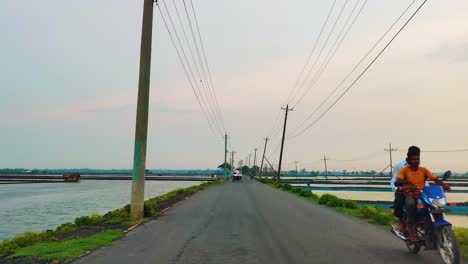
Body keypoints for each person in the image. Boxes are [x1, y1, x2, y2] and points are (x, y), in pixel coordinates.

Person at [395, 149, 451, 242]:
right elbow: (398, 180)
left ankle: (429, 226)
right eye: (413, 159)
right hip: (410, 194)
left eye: (418, 159)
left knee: (432, 206)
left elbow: (435, 179)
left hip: (422, 193)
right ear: (408, 160)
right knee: (411, 205)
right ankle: (411, 231)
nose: (416, 161)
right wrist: (404, 182)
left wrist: (444, 185)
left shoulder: (423, 170)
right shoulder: (404, 171)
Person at [390, 146, 421, 232]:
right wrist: (396, 188)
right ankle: (402, 222)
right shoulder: (399, 166)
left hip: (416, 190)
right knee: (399, 201)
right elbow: (394, 180)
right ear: (408, 156)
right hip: (403, 190)